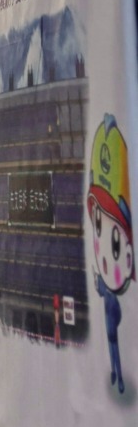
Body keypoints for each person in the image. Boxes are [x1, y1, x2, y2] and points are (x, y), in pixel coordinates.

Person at [87, 116, 133, 394]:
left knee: (116, 345)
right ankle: (117, 373)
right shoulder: (106, 284)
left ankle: (119, 374)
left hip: (115, 319)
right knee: (113, 345)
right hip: (111, 324)